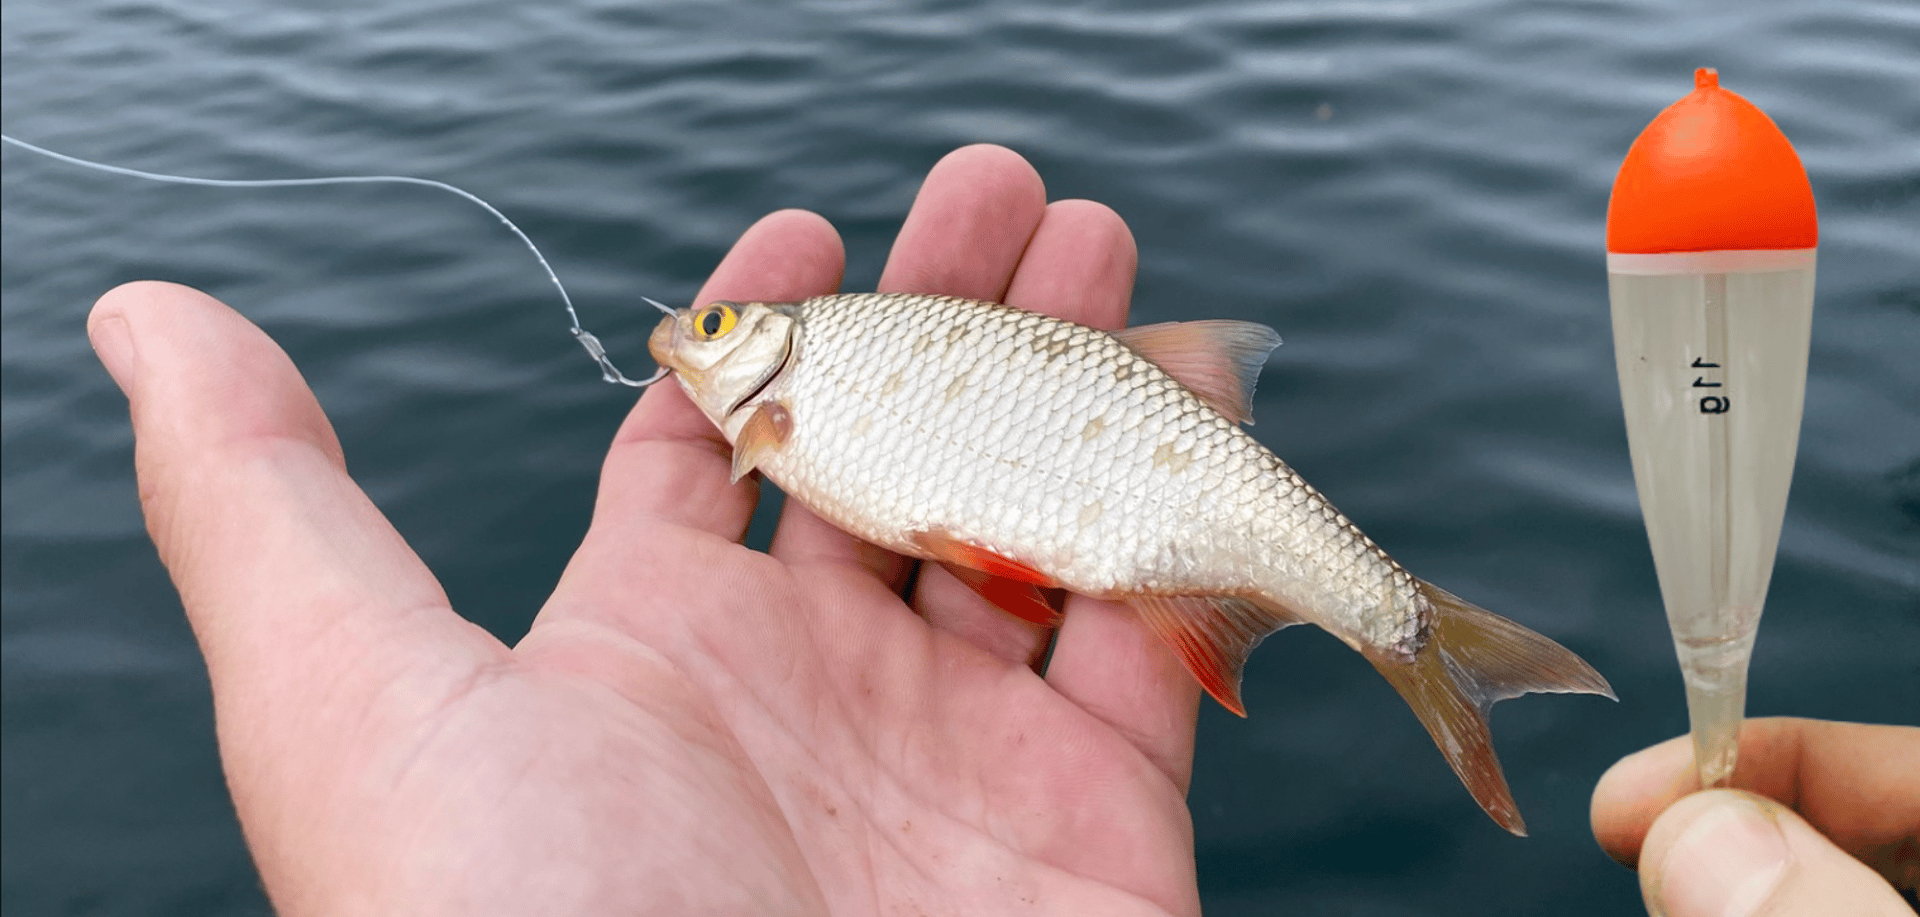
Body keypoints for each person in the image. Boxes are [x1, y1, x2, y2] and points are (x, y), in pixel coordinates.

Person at [87, 145, 1916, 916]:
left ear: (763, 357)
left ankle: (1409, 628)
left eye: (717, 333)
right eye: (711, 335)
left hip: (1118, 481)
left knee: (1317, 581)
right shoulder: (794, 406)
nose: (699, 343)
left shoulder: (793, 400)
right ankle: (1408, 630)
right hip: (1095, 489)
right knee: (1173, 531)